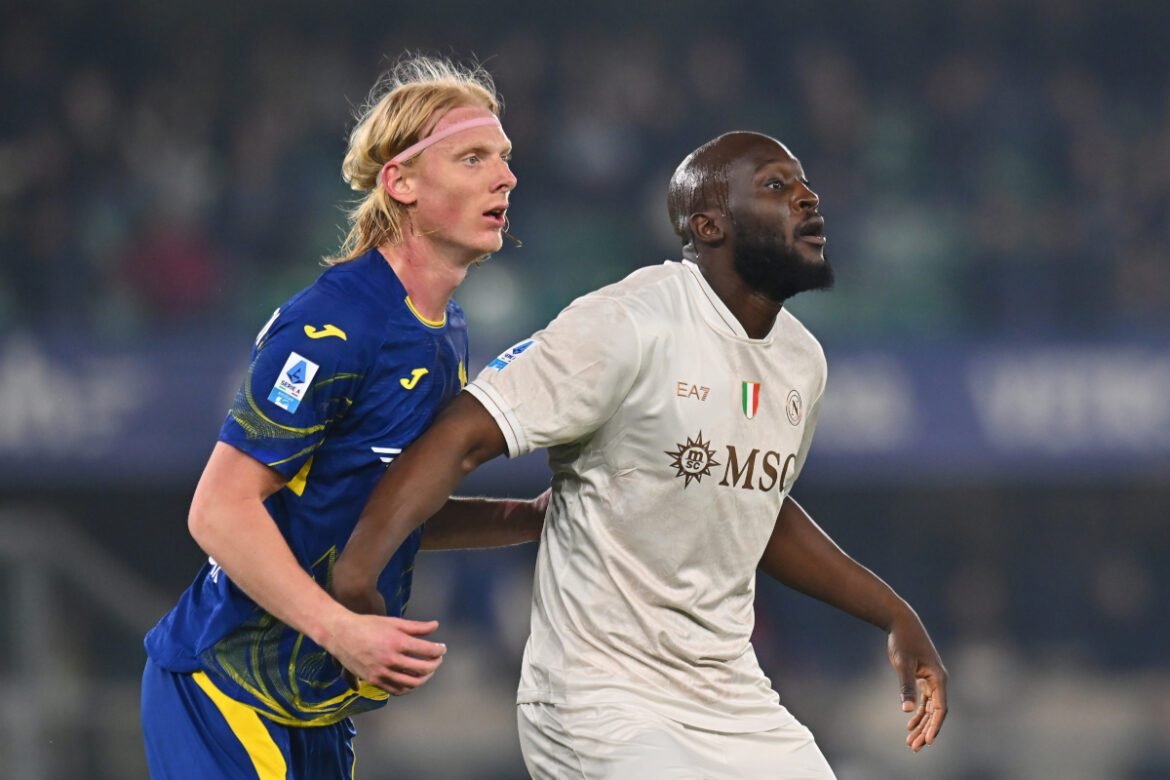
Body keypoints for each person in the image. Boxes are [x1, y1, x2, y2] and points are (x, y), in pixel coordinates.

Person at [332, 131, 949, 778]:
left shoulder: (801, 362)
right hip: (600, 698)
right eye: (776, 184)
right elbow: (462, 436)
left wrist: (894, 614)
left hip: (734, 699)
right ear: (709, 225)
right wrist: (357, 570)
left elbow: (756, 511)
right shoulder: (628, 322)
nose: (807, 197)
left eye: (804, 184)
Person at [140, 55, 546, 779]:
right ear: (401, 182)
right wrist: (340, 629)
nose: (505, 177)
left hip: (316, 710)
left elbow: (386, 511)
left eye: (504, 157)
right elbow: (219, 509)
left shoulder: (445, 332)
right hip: (223, 691)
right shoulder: (335, 324)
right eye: (473, 157)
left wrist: (531, 518)